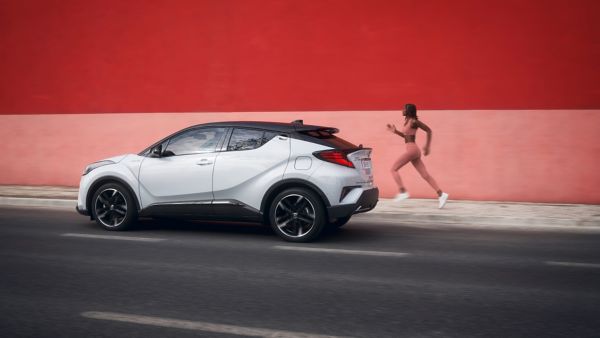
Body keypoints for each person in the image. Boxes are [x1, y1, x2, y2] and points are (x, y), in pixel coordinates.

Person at [387, 103, 449, 208]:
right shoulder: (407, 122)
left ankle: (402, 192)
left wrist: (427, 146)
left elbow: (428, 130)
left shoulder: (414, 121)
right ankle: (441, 194)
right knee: (425, 175)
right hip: (413, 151)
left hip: (412, 150)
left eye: (404, 108)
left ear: (409, 110)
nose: (402, 110)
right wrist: (396, 131)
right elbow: (406, 137)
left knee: (393, 169)